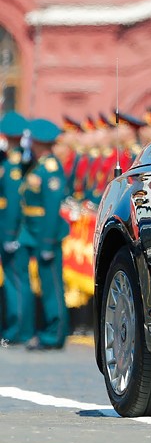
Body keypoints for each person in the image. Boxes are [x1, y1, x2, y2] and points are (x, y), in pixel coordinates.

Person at [22, 118, 71, 351]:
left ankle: (55, 334)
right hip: (37, 233)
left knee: (52, 286)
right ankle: (49, 331)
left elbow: (52, 210)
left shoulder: (51, 167)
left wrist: (48, 242)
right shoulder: (40, 164)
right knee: (45, 284)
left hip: (46, 234)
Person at [0, 111, 33, 346]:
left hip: (12, 230)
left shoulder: (13, 164)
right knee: (16, 280)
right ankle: (19, 328)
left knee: (16, 281)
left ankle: (18, 329)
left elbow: (11, 204)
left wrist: (10, 235)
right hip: (12, 229)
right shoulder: (16, 159)